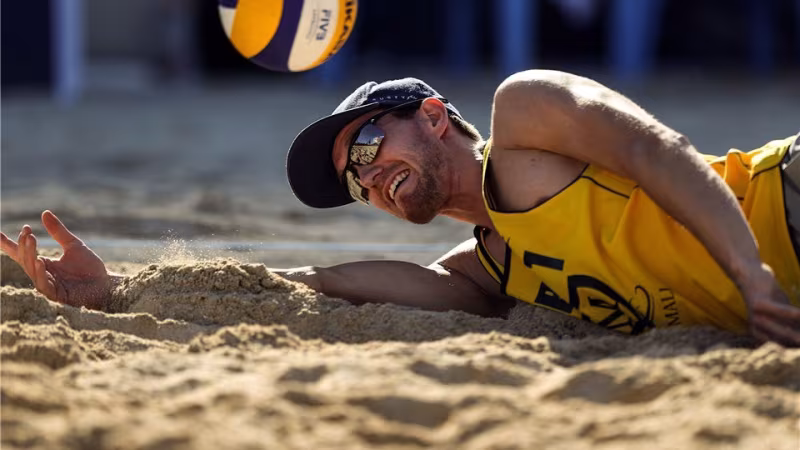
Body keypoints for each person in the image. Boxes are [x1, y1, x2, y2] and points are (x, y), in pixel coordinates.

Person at [2, 71, 799, 346]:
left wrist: (748, 268)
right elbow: (310, 285)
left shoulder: (525, 116)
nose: (367, 180)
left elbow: (659, 150)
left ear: (433, 116)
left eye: (365, 148)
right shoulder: (487, 270)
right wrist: (123, 290)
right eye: (354, 183)